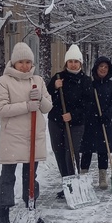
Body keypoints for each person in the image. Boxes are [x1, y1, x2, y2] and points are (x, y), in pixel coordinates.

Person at [0, 42, 52, 223]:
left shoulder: (38, 80)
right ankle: (4, 215)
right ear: (14, 62)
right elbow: (1, 109)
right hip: (12, 136)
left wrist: (40, 99)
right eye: (21, 62)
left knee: (30, 177)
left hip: (33, 137)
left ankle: (31, 209)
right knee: (8, 177)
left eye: (28, 62)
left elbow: (47, 107)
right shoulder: (4, 81)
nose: (25, 66)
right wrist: (27, 105)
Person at [47, 44, 93, 199]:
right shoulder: (58, 77)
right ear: (66, 63)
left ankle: (74, 184)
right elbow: (47, 98)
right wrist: (54, 87)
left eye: (76, 61)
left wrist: (73, 115)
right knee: (59, 152)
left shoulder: (86, 81)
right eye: (70, 61)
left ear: (80, 63)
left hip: (75, 123)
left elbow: (88, 104)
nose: (73, 64)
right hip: (56, 121)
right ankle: (67, 183)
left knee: (71, 153)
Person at [81, 56, 112, 189]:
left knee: (103, 150)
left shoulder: (111, 85)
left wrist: (108, 114)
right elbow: (83, 100)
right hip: (90, 122)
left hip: (105, 122)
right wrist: (89, 111)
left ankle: (102, 177)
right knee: (87, 150)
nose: (103, 69)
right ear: (96, 68)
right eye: (101, 67)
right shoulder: (90, 83)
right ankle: (83, 175)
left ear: (109, 69)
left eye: (106, 67)